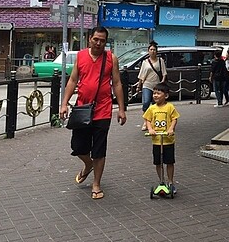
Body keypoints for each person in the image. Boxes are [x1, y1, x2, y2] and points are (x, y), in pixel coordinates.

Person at [59, 26, 127, 200]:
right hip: (82, 109)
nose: (98, 43)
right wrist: (64, 104)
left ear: (106, 42)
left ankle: (96, 184)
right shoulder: (81, 56)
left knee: (99, 149)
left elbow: (117, 83)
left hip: (103, 110)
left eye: (102, 40)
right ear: (90, 38)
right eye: (96, 39)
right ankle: (88, 164)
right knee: (78, 147)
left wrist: (121, 108)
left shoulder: (111, 58)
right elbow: (73, 80)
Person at [143, 82, 180, 194]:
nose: (155, 95)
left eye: (158, 93)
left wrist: (171, 129)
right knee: (158, 162)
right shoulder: (152, 108)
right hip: (157, 141)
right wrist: (150, 129)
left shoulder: (170, 107)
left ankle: (170, 182)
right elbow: (147, 119)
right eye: (154, 93)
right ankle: (161, 181)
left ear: (166, 96)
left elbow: (174, 118)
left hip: (168, 140)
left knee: (169, 162)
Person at [136, 41, 167, 130]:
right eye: (151, 49)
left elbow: (164, 74)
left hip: (157, 86)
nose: (152, 51)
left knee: (155, 104)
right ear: (148, 51)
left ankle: (152, 121)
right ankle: (145, 121)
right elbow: (141, 76)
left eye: (154, 49)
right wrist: (139, 86)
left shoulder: (160, 61)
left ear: (156, 51)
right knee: (146, 103)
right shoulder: (145, 62)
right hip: (147, 85)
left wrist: (162, 83)